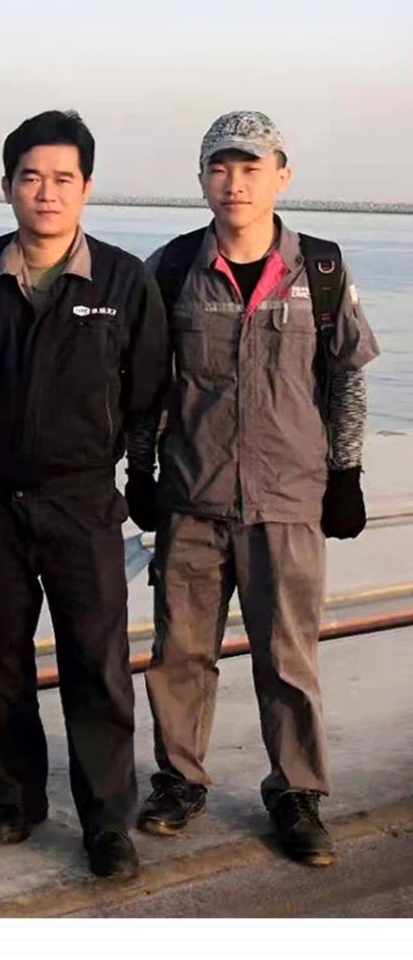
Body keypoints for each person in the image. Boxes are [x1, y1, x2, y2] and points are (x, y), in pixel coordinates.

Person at [126, 111, 379, 866]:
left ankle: (296, 792)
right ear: (203, 178)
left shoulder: (321, 271)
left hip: (289, 501)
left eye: (250, 167)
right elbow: (146, 387)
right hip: (193, 499)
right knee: (180, 653)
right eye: (219, 168)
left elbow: (346, 381)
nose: (234, 183)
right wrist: (141, 472)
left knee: (288, 657)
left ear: (281, 176)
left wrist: (346, 474)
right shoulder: (171, 269)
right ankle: (180, 780)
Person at [0, 110, 168, 882]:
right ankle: (16, 797)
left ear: (86, 187)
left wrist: (142, 482)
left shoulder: (122, 279)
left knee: (97, 663)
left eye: (62, 179)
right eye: (31, 177)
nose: (46, 192)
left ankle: (107, 821)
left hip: (82, 502)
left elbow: (147, 396)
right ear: (8, 185)